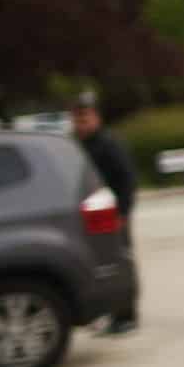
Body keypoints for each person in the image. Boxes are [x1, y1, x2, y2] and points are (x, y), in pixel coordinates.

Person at [70, 93, 138, 334]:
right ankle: (111, 314)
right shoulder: (79, 146)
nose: (81, 124)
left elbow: (127, 179)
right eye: (77, 119)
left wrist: (123, 212)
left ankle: (127, 316)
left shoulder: (108, 144)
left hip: (113, 213)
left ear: (96, 118)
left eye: (85, 118)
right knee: (104, 264)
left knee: (120, 261)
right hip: (95, 214)